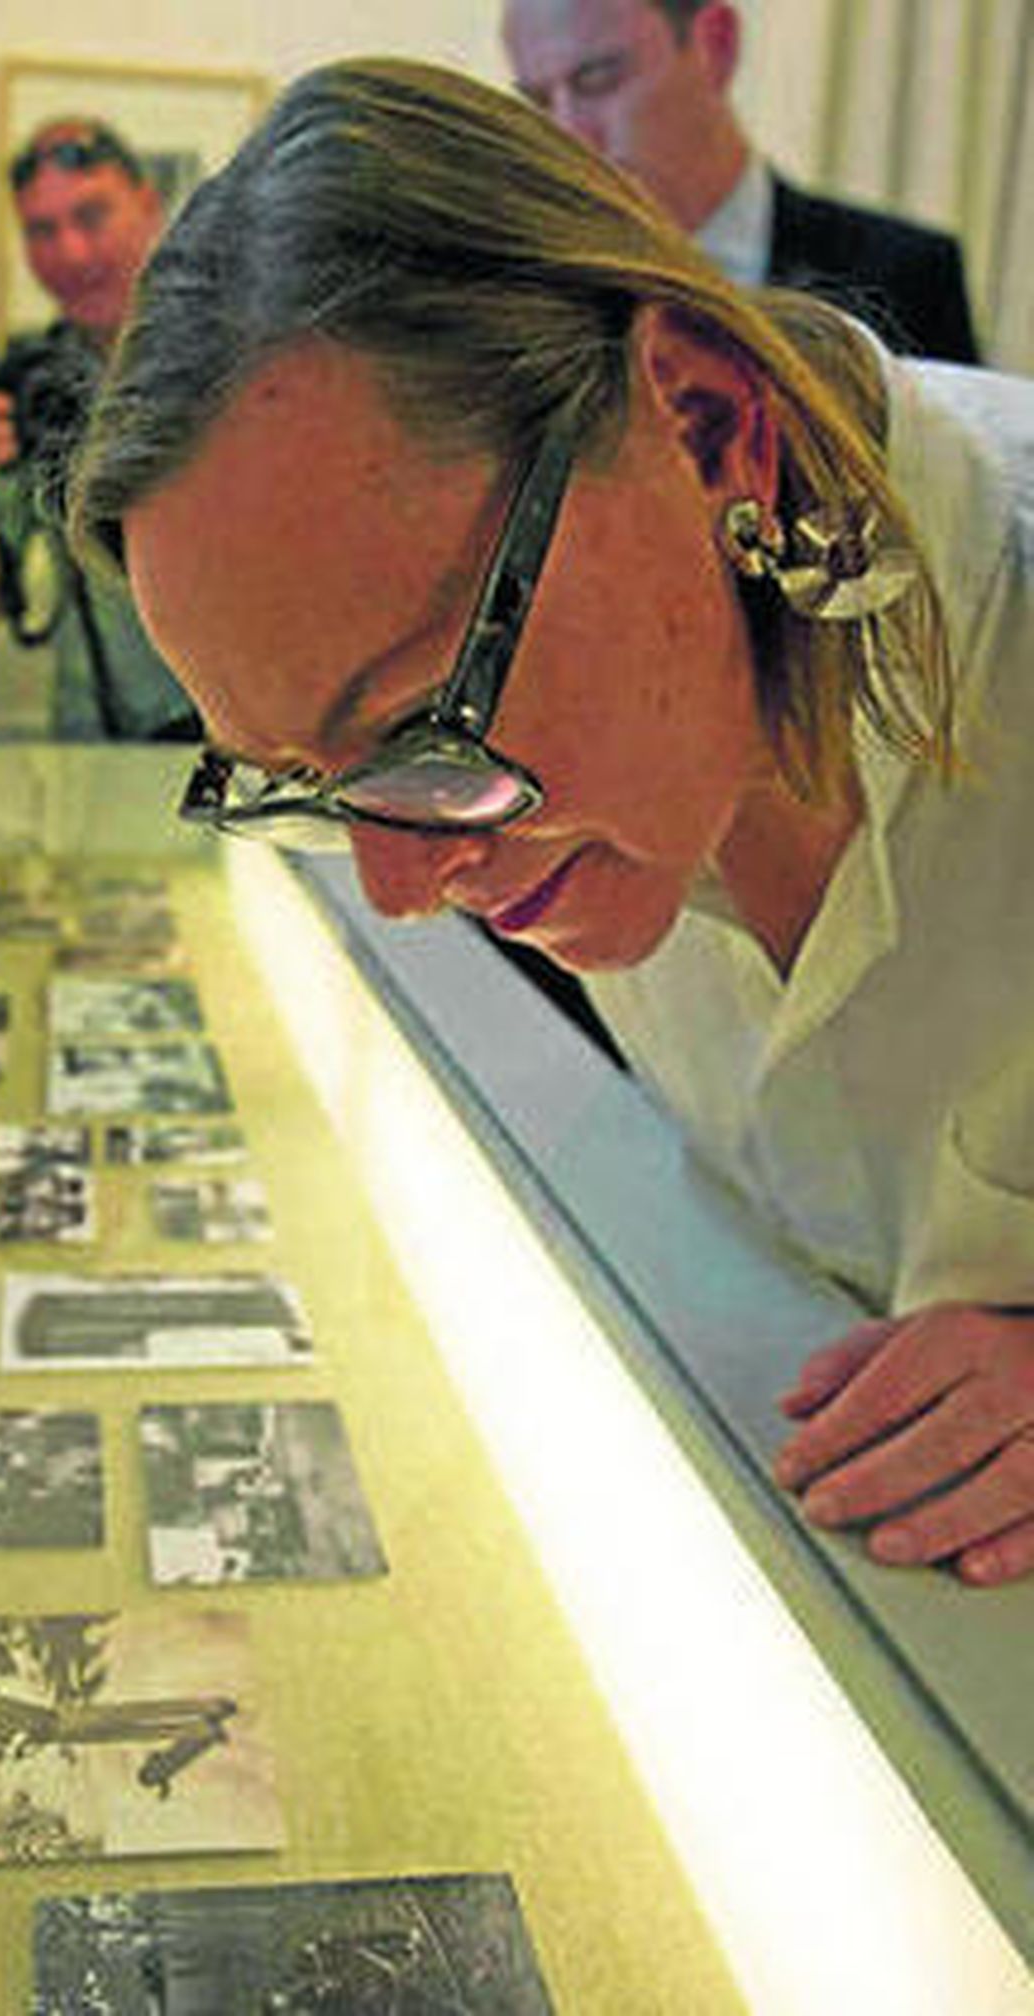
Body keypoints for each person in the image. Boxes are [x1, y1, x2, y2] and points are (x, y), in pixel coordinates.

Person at [70, 59, 1034, 1587]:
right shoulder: (627, 726)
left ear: (710, 424)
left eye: (417, 723)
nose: (403, 887)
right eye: (309, 784)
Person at [0, 118, 200, 741]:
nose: (71, 252)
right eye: (42, 230)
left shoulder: (237, 359)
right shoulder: (27, 391)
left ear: (148, 207)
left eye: (92, 215)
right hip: (98, 753)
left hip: (257, 749)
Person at [501, 0, 980, 364]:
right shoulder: (529, 299)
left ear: (717, 45)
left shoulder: (905, 276)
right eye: (539, 102)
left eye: (598, 79)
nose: (569, 135)